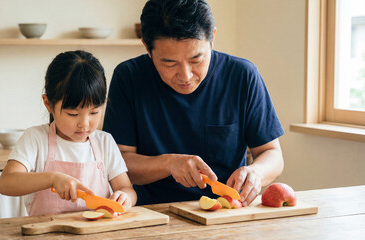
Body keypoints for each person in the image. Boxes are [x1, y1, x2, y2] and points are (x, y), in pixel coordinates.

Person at [103, 0, 284, 206]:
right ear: (146, 46)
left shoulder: (242, 76)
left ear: (212, 38)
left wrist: (256, 172)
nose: (186, 75)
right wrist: (168, 164)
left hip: (226, 211)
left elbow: (272, 154)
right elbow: (118, 162)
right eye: (169, 63)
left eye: (196, 60)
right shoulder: (129, 77)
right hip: (153, 212)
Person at [0, 50, 137, 216]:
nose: (84, 124)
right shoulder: (35, 139)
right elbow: (6, 183)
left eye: (94, 112)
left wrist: (125, 197)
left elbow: (125, 188)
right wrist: (52, 178)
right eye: (73, 114)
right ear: (48, 104)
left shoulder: (105, 142)